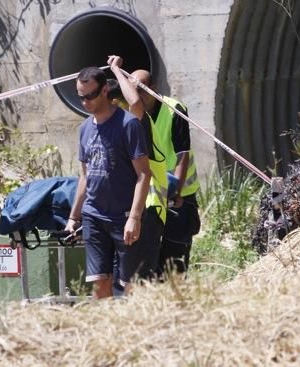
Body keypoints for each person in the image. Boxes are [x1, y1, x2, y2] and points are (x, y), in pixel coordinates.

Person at [65, 65, 151, 299]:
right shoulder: (84, 129)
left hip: (122, 217)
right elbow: (85, 176)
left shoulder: (128, 124)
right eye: (81, 97)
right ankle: (103, 331)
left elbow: (144, 174)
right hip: (94, 216)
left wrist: (134, 218)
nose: (85, 102)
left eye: (90, 96)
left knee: (128, 285)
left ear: (104, 91)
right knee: (99, 282)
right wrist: (74, 217)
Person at [131, 70, 201, 275]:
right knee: (147, 257)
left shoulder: (174, 110)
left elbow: (182, 154)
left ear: (152, 89)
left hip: (178, 194)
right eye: (132, 90)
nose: (136, 96)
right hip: (151, 195)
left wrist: (176, 192)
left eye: (141, 90)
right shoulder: (130, 112)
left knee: (175, 253)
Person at [106, 56, 168, 284]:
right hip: (132, 209)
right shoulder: (116, 126)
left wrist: (116, 70)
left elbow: (135, 103)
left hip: (148, 208)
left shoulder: (133, 121)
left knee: (138, 280)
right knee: (122, 279)